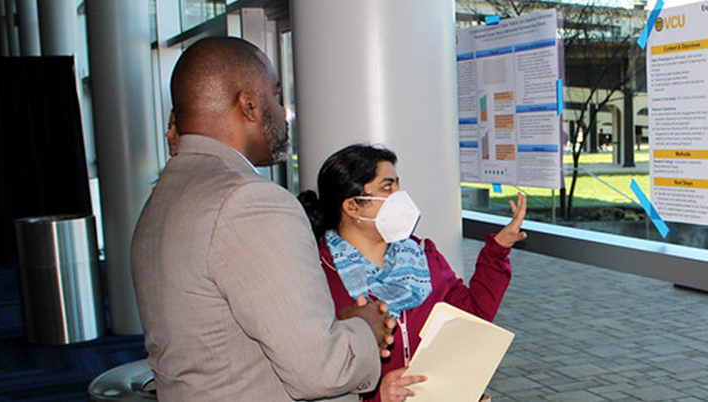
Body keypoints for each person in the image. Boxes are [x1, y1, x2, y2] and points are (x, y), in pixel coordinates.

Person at [131, 37, 394, 402]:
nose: (282, 109)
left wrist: (338, 327)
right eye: (274, 94)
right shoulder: (248, 200)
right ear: (249, 104)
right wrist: (366, 330)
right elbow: (320, 372)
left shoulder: (166, 194)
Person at [299, 144, 527, 402]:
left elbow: (472, 316)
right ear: (352, 206)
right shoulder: (318, 275)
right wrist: (376, 396)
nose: (400, 195)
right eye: (388, 187)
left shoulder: (422, 255)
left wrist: (497, 250)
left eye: (398, 184)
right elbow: (316, 372)